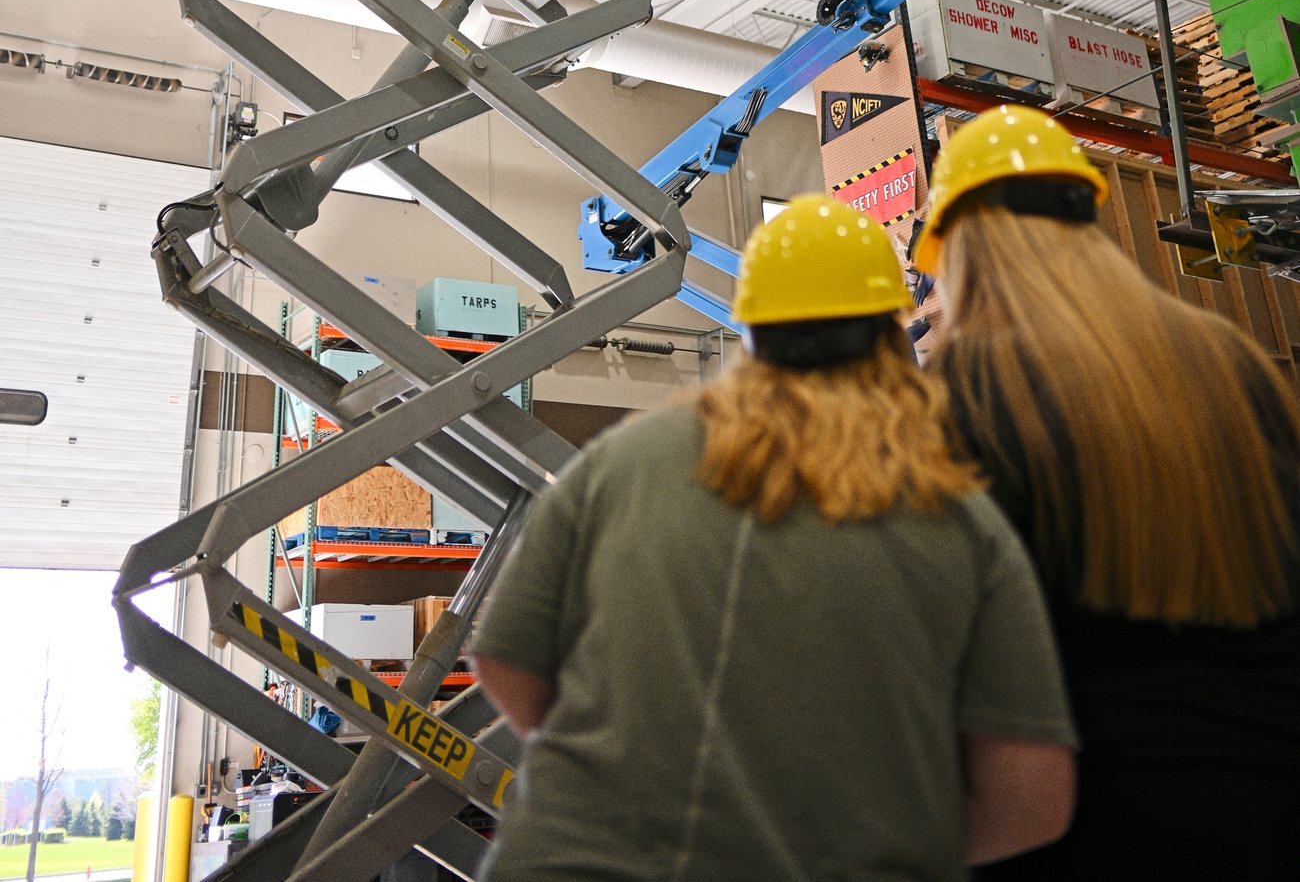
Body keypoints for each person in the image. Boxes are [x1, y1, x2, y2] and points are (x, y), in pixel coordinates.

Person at [471, 196, 1076, 880]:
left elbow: (504, 657)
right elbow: (1032, 797)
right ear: (891, 335)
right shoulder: (960, 517)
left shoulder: (617, 464)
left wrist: (611, 772)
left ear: (751, 334)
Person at [915, 104, 1300, 879]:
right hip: (1274, 795)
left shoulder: (958, 395)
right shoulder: (1229, 359)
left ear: (955, 251)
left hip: (1081, 823)